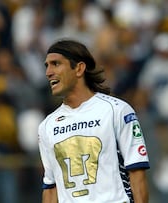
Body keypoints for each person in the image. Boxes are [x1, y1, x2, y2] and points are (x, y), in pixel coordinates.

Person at [38, 39, 150, 203]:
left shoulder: (117, 111)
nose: (48, 72)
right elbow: (51, 187)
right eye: (46, 66)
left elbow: (137, 173)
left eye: (55, 64)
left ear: (79, 68)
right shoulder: (47, 125)